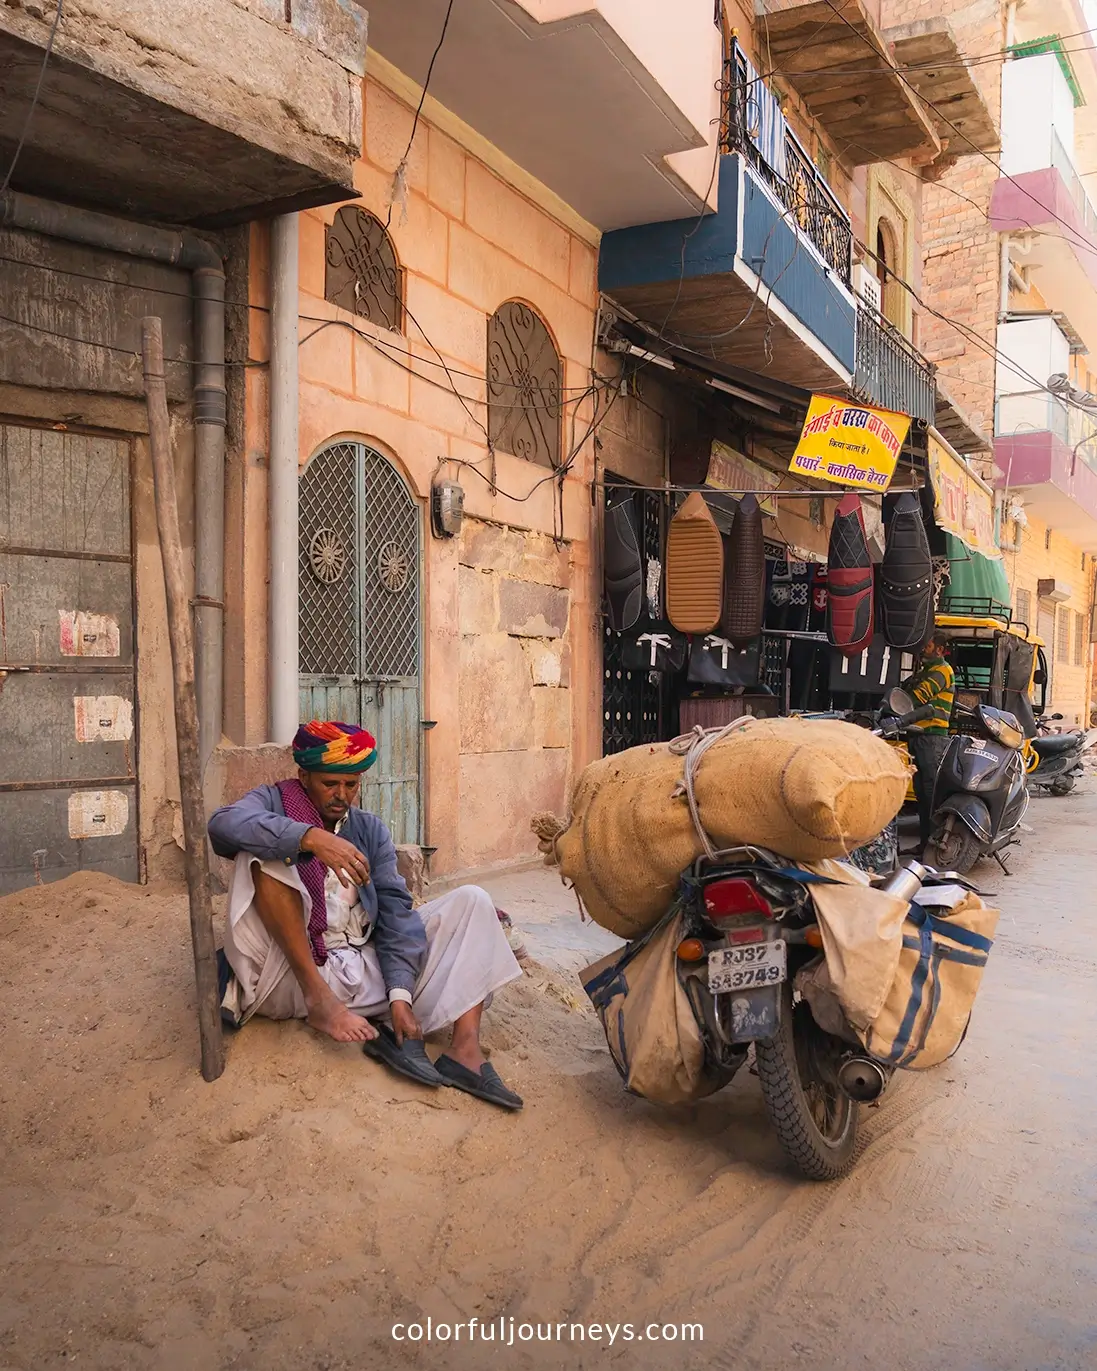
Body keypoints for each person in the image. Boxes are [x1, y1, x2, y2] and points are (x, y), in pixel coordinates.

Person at [208, 720, 524, 1110]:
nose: (342, 796)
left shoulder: (369, 830)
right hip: (287, 974)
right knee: (260, 855)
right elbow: (222, 825)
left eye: (352, 785)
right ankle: (321, 1002)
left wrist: (400, 997)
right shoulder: (272, 801)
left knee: (473, 901)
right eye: (330, 784)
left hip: (360, 968)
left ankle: (465, 1050)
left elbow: (395, 913)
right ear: (303, 776)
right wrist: (308, 838)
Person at [902, 633, 955, 853]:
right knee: (922, 795)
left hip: (931, 737)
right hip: (918, 736)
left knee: (931, 794)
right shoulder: (925, 671)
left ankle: (933, 847)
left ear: (940, 650)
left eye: (929, 645)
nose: (924, 649)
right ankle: (924, 845)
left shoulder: (942, 671)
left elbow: (918, 697)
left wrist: (898, 709)